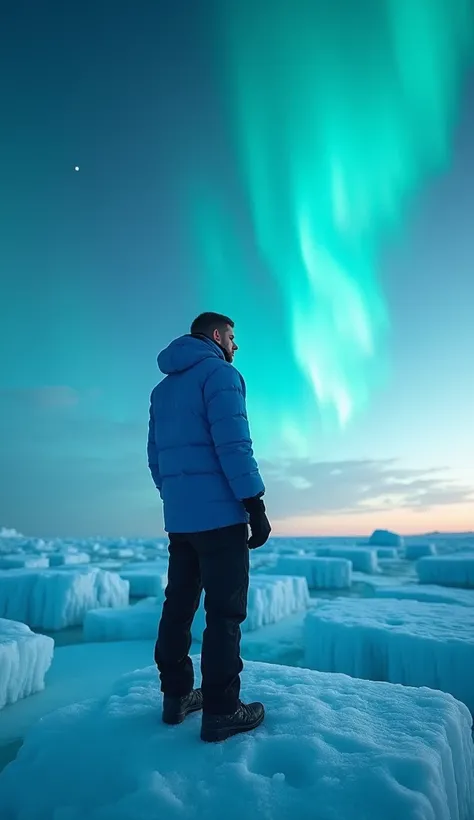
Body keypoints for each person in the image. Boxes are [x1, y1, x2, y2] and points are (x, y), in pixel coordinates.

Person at [147, 312, 271, 742]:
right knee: (224, 613)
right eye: (233, 337)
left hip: (181, 522)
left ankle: (176, 696)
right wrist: (253, 504)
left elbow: (156, 460)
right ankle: (221, 710)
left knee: (178, 607)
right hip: (221, 519)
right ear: (217, 335)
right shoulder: (220, 375)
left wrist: (177, 501)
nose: (236, 346)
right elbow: (233, 443)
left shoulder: (162, 390)